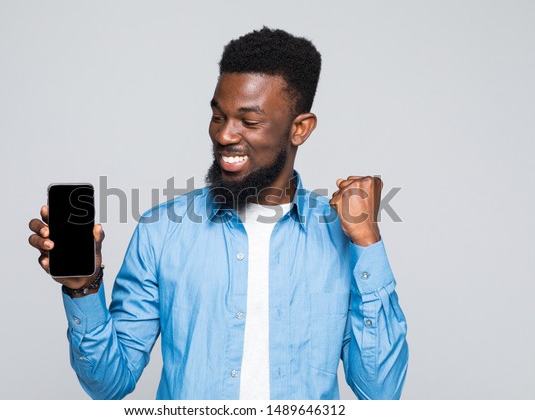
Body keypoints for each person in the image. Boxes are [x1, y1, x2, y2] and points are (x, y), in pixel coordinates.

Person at [28, 27, 408, 400]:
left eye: (250, 121)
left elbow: (380, 392)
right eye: (218, 116)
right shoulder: (161, 231)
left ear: (300, 129)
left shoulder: (340, 238)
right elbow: (108, 385)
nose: (225, 135)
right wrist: (84, 288)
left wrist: (367, 242)